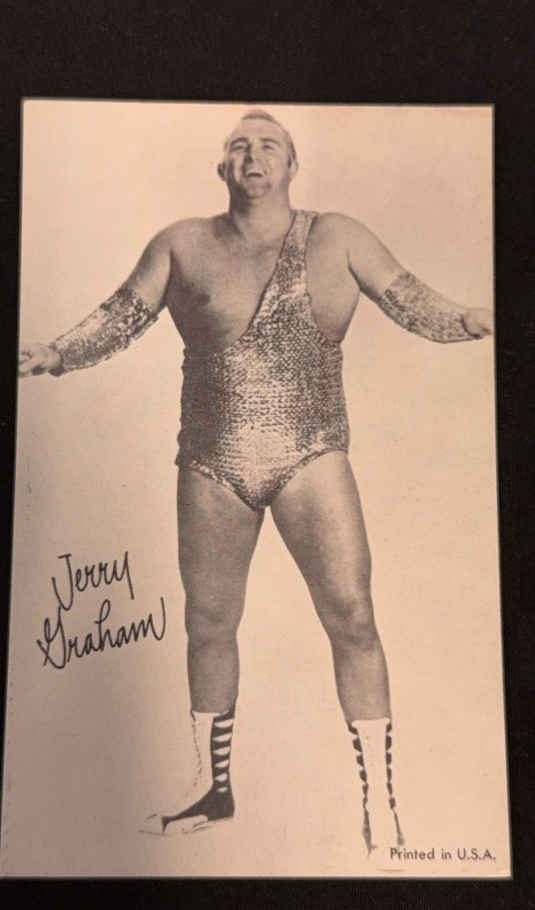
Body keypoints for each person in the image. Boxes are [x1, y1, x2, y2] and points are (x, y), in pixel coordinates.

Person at [19, 109, 492, 863]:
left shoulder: (336, 237)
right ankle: (211, 789)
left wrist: (466, 317)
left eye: (269, 144)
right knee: (208, 622)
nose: (252, 154)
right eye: (238, 145)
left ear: (292, 166)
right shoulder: (181, 244)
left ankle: (381, 803)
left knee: (352, 616)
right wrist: (56, 353)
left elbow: (410, 299)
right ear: (221, 168)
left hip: (311, 454)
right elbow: (118, 318)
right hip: (211, 462)